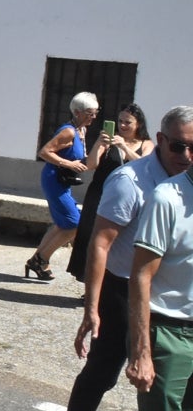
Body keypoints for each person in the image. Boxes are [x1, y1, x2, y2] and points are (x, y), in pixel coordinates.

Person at [59, 121, 193, 411]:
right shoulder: (150, 189)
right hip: (146, 311)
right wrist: (93, 309)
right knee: (111, 384)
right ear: (164, 138)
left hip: (180, 318)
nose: (186, 152)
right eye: (180, 144)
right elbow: (104, 246)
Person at [66, 104, 153, 281]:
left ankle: (108, 283)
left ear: (138, 124)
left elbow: (146, 166)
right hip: (99, 193)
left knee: (115, 242)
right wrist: (99, 143)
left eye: (128, 122)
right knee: (91, 237)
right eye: (120, 121)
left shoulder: (146, 144)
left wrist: (125, 148)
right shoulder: (110, 141)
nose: (122, 125)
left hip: (127, 198)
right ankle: (89, 283)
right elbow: (90, 165)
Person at [27, 91, 99, 280]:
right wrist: (69, 164)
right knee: (74, 223)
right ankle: (41, 258)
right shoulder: (68, 131)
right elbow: (44, 152)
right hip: (54, 179)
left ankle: (37, 260)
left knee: (63, 223)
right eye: (90, 113)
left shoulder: (82, 130)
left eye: (96, 112)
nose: (94, 117)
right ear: (77, 112)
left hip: (62, 181)